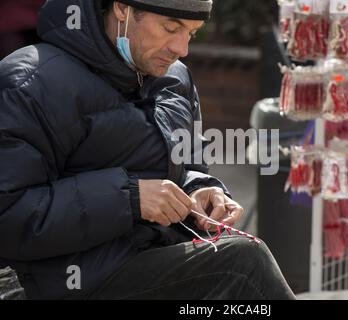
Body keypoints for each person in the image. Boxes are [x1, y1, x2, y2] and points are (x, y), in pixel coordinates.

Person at [0, 0, 296, 300]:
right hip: (62, 281)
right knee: (241, 264)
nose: (182, 48)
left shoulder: (176, 77)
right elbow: (8, 215)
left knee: (237, 266)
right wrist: (129, 198)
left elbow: (190, 163)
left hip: (152, 258)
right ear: (121, 9)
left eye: (192, 34)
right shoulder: (28, 82)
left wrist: (202, 190)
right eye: (171, 28)